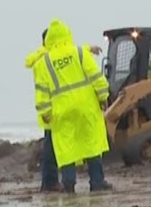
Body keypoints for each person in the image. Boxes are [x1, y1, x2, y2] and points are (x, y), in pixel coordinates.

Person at [32, 19, 114, 193]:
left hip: (62, 111)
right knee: (92, 144)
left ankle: (69, 184)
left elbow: (42, 90)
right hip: (87, 107)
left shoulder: (44, 62)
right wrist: (103, 97)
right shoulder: (79, 53)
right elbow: (96, 77)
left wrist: (45, 111)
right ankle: (97, 182)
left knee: (66, 148)